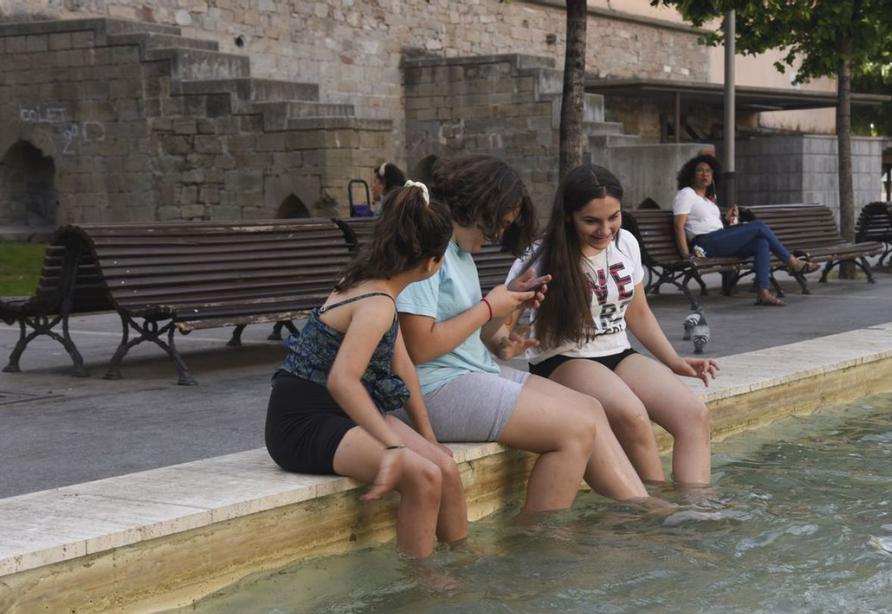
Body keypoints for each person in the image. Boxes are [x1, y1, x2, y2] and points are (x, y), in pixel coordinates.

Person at [394, 155, 650, 513]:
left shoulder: (459, 254)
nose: (497, 236)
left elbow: (465, 335)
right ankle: (538, 542)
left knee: (590, 408)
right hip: (432, 388)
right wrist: (488, 307)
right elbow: (418, 348)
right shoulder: (428, 254)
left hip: (467, 373)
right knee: (572, 431)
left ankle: (642, 507)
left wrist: (501, 338)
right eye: (498, 225)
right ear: (476, 208)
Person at [264, 183, 465, 559]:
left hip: (339, 413)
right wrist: (391, 445)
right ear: (432, 263)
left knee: (445, 467)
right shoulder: (376, 303)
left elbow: (401, 362)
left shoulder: (380, 285)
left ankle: (462, 561)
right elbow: (343, 380)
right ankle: (420, 586)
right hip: (301, 422)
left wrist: (428, 435)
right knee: (423, 477)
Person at [508, 165, 718, 486]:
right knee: (631, 414)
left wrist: (674, 362)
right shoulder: (540, 256)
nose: (605, 230)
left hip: (617, 352)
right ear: (568, 215)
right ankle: (657, 510)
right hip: (565, 359)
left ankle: (695, 508)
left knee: (693, 414)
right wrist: (506, 336)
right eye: (591, 220)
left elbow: (639, 314)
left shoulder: (626, 243)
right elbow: (501, 325)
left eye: (613, 217)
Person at [671, 155, 818, 307]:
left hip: (718, 240)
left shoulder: (709, 201)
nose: (705, 174)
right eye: (700, 171)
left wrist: (729, 220)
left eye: (708, 171)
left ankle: (763, 293)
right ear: (691, 175)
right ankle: (792, 262)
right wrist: (685, 255)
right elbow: (679, 225)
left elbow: (712, 226)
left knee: (761, 243)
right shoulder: (686, 193)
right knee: (759, 226)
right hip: (703, 244)